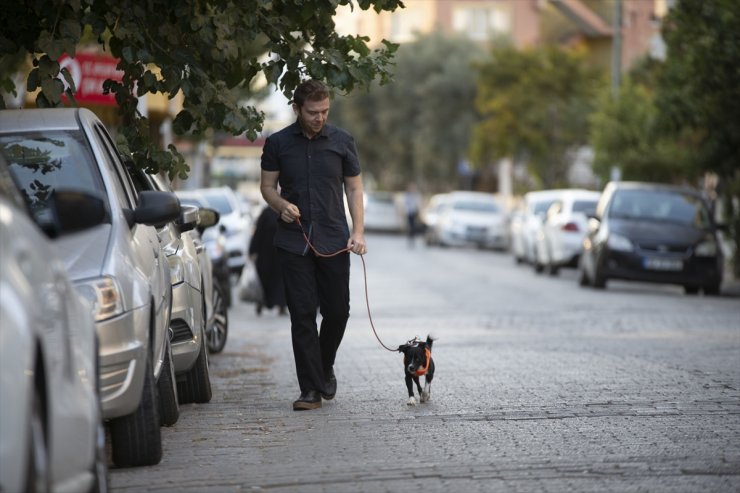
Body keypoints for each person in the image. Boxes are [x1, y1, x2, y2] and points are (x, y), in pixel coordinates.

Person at [259, 79, 367, 411]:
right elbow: (267, 187)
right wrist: (281, 206)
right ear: (297, 109)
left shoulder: (342, 141)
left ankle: (324, 364)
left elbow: (354, 190)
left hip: (335, 238)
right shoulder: (277, 143)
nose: (319, 118)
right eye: (312, 112)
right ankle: (310, 389)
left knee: (338, 311)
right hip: (293, 242)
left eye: (324, 111)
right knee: (302, 314)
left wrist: (358, 231)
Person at [248, 205, 287, 316]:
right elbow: (258, 232)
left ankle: (281, 305)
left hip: (280, 253)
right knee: (264, 279)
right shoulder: (266, 213)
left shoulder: (286, 211)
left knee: (280, 280)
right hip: (266, 254)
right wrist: (252, 251)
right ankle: (262, 302)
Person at [403, 182, 422, 247]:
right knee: (410, 226)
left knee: (414, 227)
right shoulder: (407, 195)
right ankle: (410, 239)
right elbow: (405, 204)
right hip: (409, 213)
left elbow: (418, 204)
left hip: (415, 213)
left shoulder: (417, 195)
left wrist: (419, 212)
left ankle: (413, 239)